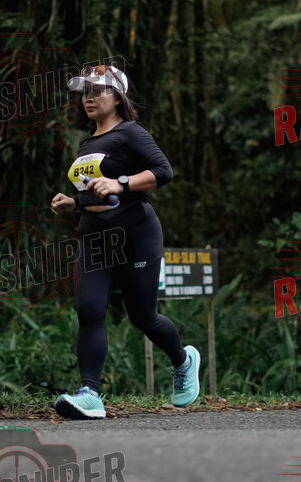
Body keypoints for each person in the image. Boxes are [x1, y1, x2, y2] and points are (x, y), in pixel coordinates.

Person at [50, 63, 200, 419]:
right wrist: (75, 202)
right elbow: (97, 192)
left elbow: (163, 171)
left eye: (97, 91)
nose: (88, 98)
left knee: (143, 317)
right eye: (85, 93)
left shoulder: (131, 132)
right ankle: (89, 393)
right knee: (89, 312)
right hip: (94, 237)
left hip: (135, 234)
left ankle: (183, 361)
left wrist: (121, 182)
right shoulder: (87, 142)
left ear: (117, 97)